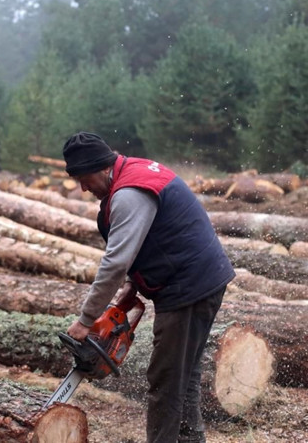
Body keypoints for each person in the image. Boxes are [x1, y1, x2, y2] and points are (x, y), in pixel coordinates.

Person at [62, 131, 234, 443]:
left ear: (102, 168)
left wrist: (87, 320)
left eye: (85, 179)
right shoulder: (136, 171)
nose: (84, 188)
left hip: (188, 287)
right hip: (200, 278)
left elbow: (115, 262)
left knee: (166, 380)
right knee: (184, 375)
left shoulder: (130, 193)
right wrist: (131, 287)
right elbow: (151, 238)